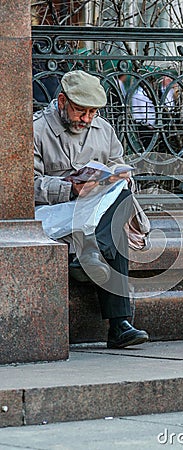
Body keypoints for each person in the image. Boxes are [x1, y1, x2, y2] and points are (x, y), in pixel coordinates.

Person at [33, 70, 150, 349]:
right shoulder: (36, 129)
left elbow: (120, 166)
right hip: (54, 213)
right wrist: (70, 188)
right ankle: (119, 324)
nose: (86, 119)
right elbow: (25, 185)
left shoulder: (104, 130)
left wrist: (116, 177)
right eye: (80, 111)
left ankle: (92, 255)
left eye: (92, 112)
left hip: (96, 212)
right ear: (62, 100)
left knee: (120, 195)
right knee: (114, 230)